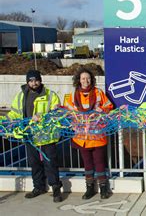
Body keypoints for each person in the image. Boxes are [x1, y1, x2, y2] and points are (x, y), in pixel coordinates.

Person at [7, 70, 63, 202]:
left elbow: (58, 113)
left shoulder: (51, 95)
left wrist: (41, 117)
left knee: (51, 162)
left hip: (47, 136)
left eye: (36, 80)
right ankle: (38, 187)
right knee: (34, 163)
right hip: (29, 135)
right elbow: (14, 113)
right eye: (31, 81)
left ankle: (55, 189)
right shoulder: (21, 96)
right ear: (27, 82)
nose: (34, 83)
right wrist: (6, 121)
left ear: (40, 80)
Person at [64, 67, 113, 200]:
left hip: (97, 135)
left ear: (92, 80)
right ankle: (89, 188)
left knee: (99, 162)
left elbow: (109, 106)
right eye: (83, 78)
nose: (86, 81)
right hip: (82, 137)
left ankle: (104, 188)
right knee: (87, 163)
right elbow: (66, 112)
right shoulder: (72, 96)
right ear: (78, 80)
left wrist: (101, 109)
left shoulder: (98, 93)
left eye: (88, 78)